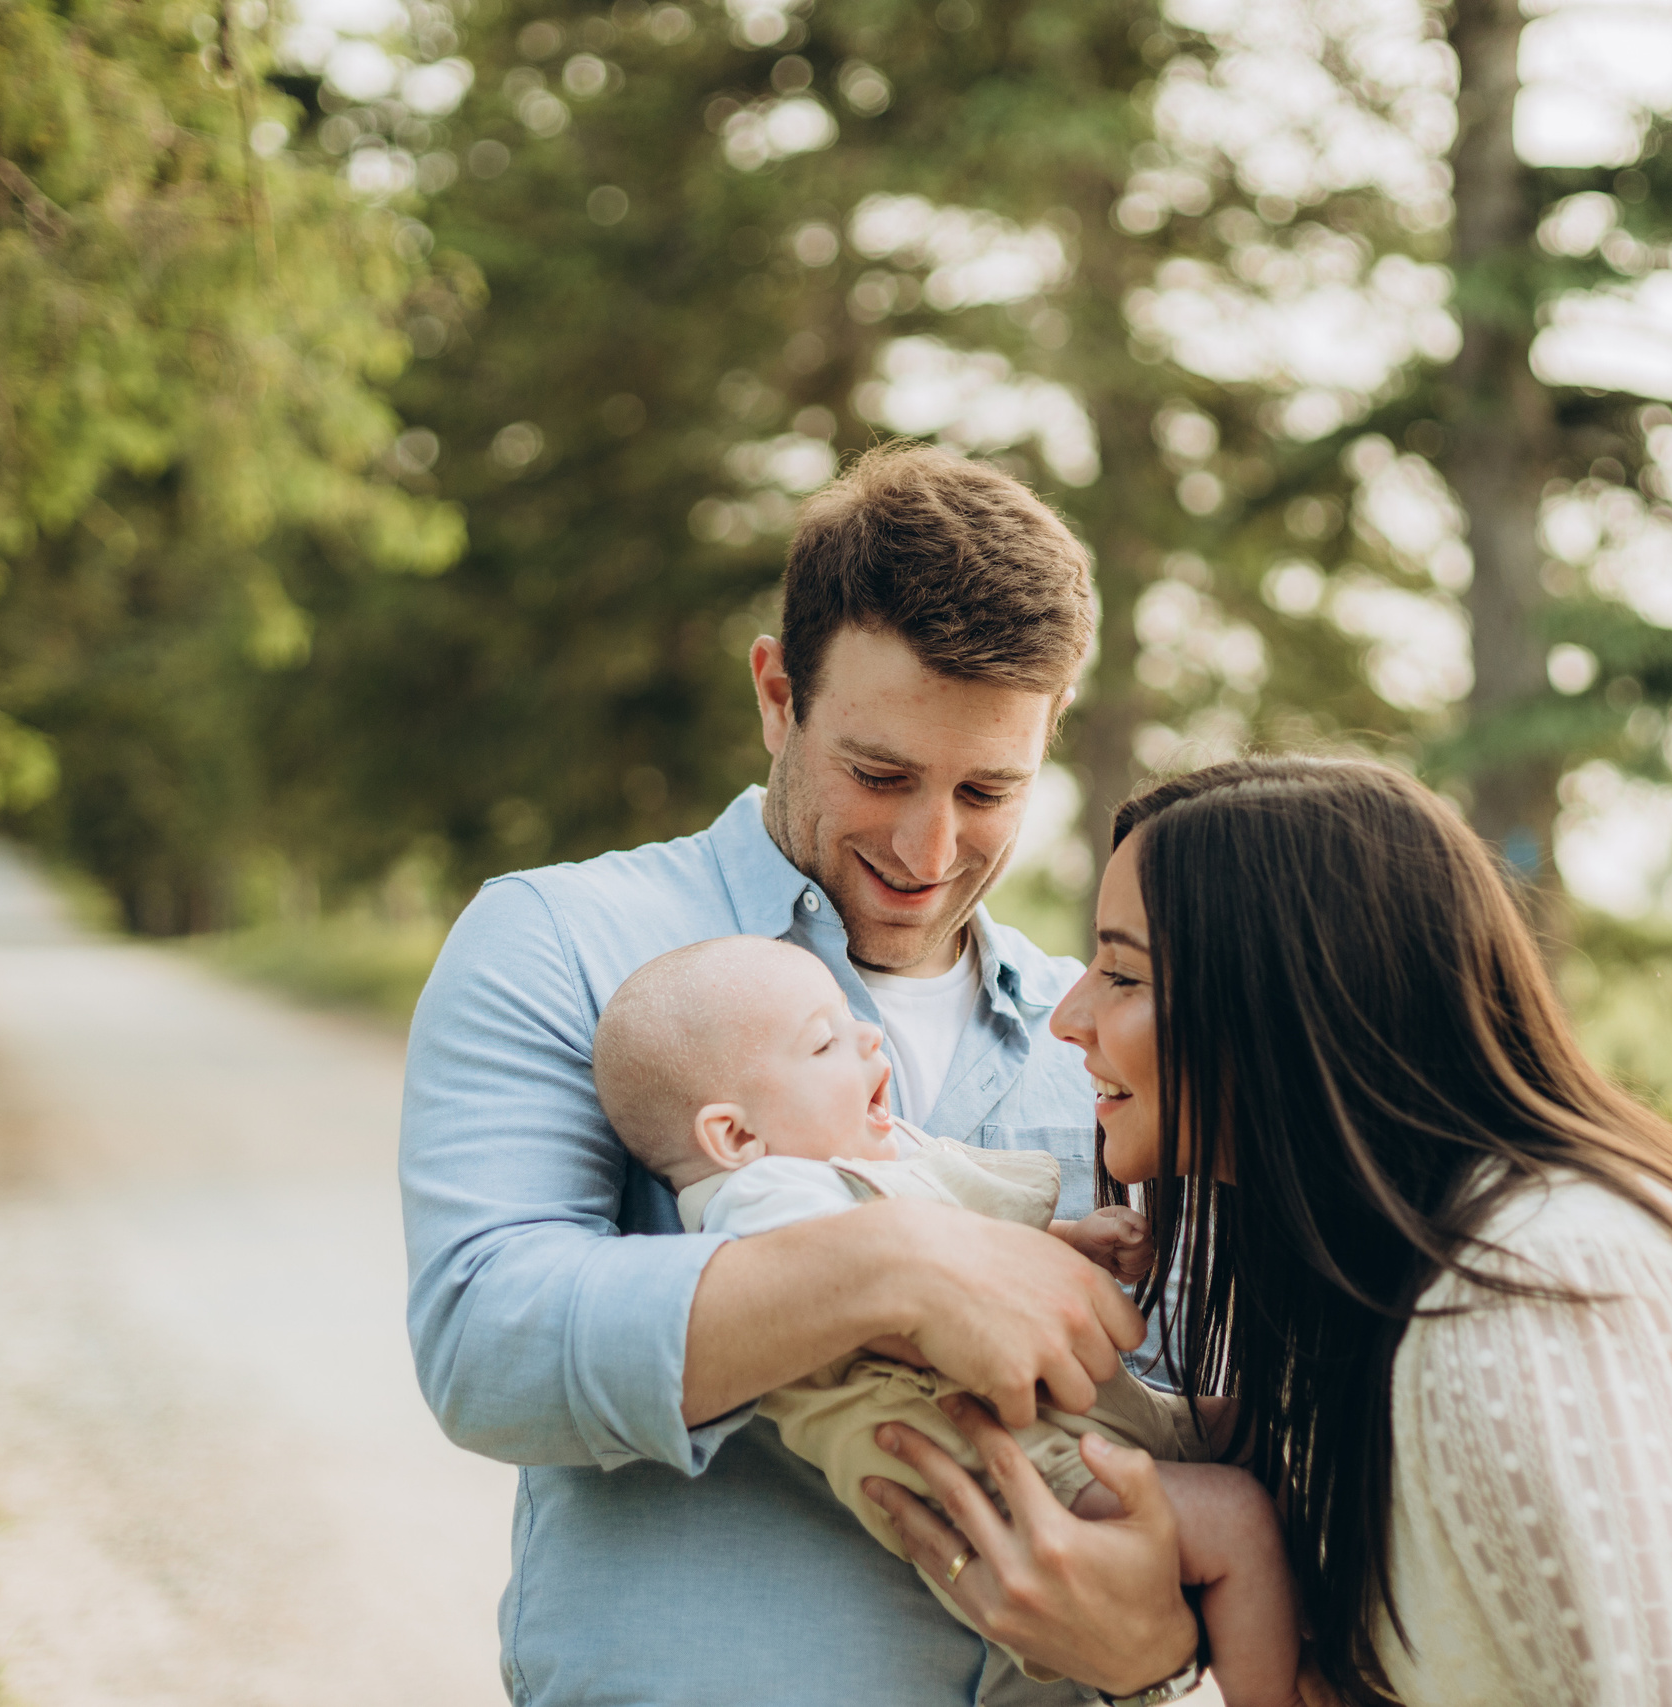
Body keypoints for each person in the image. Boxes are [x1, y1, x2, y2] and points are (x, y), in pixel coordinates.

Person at [865, 756, 1672, 1707]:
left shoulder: (1524, 1310)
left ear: (1289, 1003)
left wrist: (1153, 1664)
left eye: (1123, 972)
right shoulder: (1379, 1303)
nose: (1069, 1017)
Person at [400, 443, 1167, 1707]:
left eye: (987, 789)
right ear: (776, 695)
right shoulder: (560, 942)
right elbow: (489, 1345)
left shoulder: (1093, 1032)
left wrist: (1159, 1644)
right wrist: (888, 1263)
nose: (928, 847)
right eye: (879, 775)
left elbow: (1163, 1397)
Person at [590, 933, 1300, 1707]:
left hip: (1078, 1422)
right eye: (825, 1042)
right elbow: (892, 1298)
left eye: (852, 1019)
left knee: (1267, 1430)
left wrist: (1070, 1242)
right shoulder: (763, 1197)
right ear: (734, 1135)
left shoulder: (870, 1156)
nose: (868, 1036)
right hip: (1008, 1472)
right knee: (1239, 1522)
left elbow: (973, 1245)